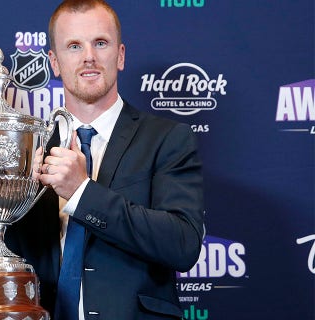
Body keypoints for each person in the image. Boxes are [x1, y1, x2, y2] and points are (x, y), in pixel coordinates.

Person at [28, 0, 206, 319]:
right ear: (54, 62)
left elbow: (183, 244)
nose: (89, 58)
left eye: (100, 43)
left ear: (120, 55)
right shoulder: (31, 149)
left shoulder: (166, 139)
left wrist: (82, 192)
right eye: (73, 46)